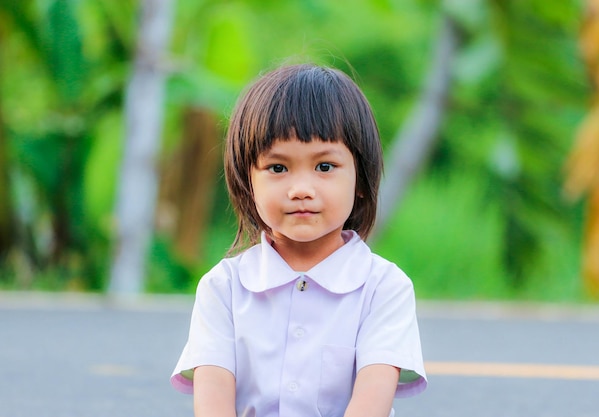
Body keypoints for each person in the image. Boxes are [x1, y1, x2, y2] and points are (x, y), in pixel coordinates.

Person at [171, 63, 427, 417]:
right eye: (278, 168)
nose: (301, 190)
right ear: (248, 183)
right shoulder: (223, 288)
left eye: (324, 167)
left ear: (361, 181)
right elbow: (213, 402)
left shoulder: (384, 288)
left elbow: (372, 401)